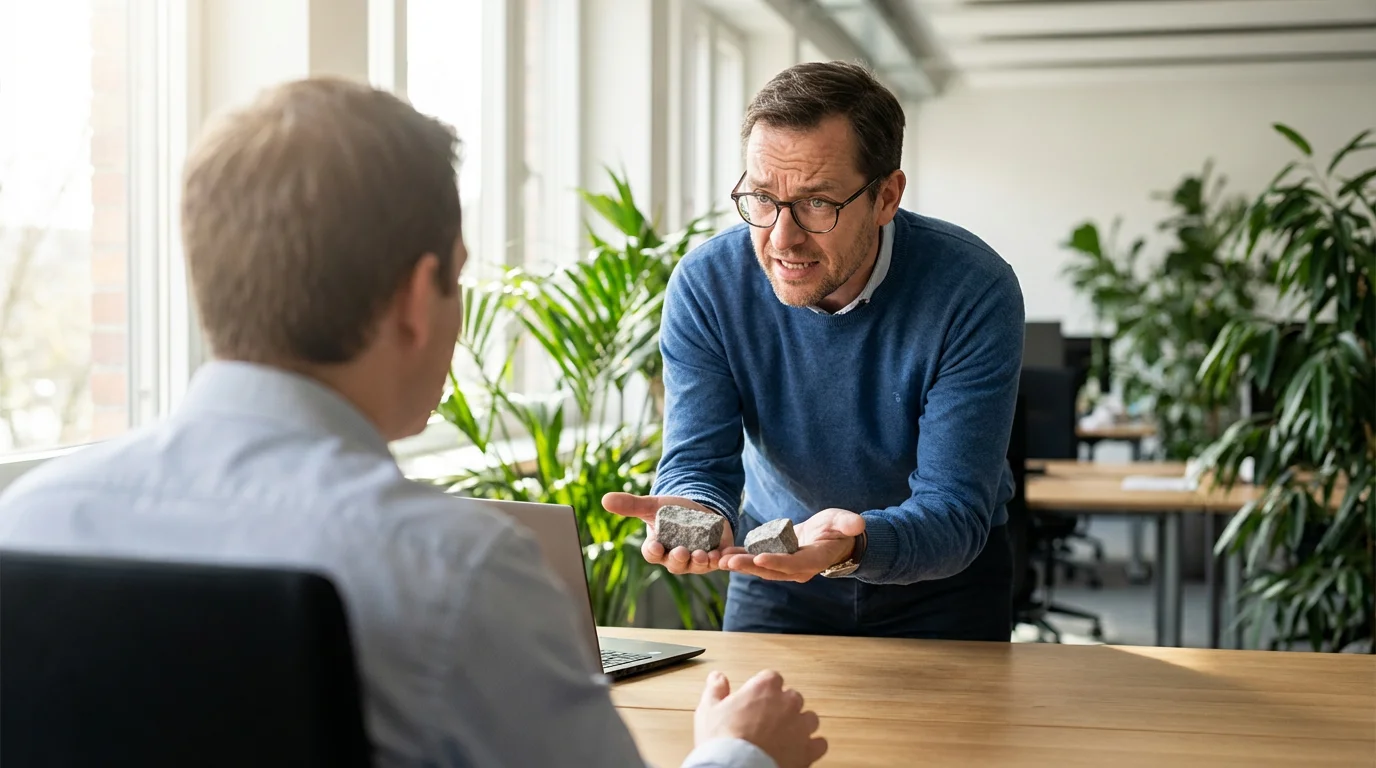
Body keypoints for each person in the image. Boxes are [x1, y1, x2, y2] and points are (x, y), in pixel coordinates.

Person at [0, 78, 827, 768]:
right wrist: (738, 751)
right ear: (413, 298)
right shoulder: (455, 571)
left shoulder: (31, 523)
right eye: (459, 279)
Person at [603, 62, 1024, 640]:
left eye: (817, 203)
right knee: (746, 731)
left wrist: (850, 543)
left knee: (956, 735)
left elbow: (954, 508)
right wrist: (695, 510)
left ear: (886, 197)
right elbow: (698, 460)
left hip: (941, 582)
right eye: (762, 197)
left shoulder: (971, 289)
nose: (781, 238)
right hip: (771, 566)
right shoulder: (709, 285)